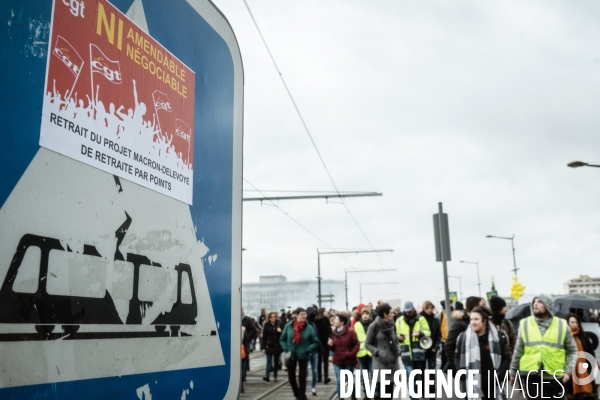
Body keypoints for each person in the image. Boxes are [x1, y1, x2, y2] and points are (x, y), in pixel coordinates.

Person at [509, 295, 577, 399]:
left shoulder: (562, 325)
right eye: (534, 302)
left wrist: (567, 372)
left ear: (548, 305)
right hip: (530, 375)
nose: (535, 304)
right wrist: (513, 372)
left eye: (540, 302)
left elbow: (572, 350)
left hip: (555, 376)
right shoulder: (525, 324)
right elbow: (518, 350)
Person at [455, 306, 510, 399]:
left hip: (493, 386)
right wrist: (461, 372)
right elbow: (457, 356)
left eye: (476, 319)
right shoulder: (464, 338)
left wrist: (499, 375)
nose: (473, 322)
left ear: (484, 321)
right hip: (472, 385)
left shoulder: (497, 337)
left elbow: (506, 357)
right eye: (471, 319)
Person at [280, 307, 319, 400]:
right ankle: (297, 394)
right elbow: (282, 339)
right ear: (296, 315)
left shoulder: (309, 327)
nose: (304, 316)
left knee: (302, 378)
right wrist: (286, 349)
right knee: (291, 378)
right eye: (302, 314)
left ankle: (301, 397)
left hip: (304, 355)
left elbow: (315, 341)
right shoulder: (288, 326)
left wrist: (307, 349)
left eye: (305, 314)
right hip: (291, 355)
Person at [395, 301, 431, 399]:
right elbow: (395, 334)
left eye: (409, 311)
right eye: (406, 312)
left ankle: (417, 395)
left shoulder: (421, 319)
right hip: (406, 353)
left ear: (413, 309)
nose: (407, 313)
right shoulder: (399, 320)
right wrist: (398, 337)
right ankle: (413, 397)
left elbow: (428, 332)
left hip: (418, 353)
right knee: (410, 375)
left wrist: (420, 334)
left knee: (418, 376)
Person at [366, 303, 399, 399]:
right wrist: (378, 352)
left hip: (392, 362)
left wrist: (398, 349)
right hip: (381, 363)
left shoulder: (392, 325)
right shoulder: (374, 326)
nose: (393, 314)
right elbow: (367, 344)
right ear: (385, 314)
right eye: (391, 313)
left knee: (390, 393)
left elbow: (395, 340)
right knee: (383, 394)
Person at [444, 296, 481, 371]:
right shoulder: (460, 324)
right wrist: (457, 366)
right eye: (481, 306)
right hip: (464, 365)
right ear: (475, 308)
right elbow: (449, 346)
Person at [328, 314, 359, 399]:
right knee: (340, 380)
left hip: (349, 360)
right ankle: (341, 398)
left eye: (336, 319)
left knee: (349, 380)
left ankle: (353, 395)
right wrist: (330, 345)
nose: (334, 321)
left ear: (342, 322)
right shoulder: (334, 332)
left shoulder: (350, 331)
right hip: (337, 361)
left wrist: (350, 354)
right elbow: (334, 348)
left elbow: (356, 344)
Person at [566, 313, 596, 400]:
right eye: (572, 322)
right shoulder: (564, 337)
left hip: (585, 371)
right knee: (572, 396)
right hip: (570, 372)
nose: (574, 324)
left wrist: (590, 364)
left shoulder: (583, 336)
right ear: (567, 323)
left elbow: (590, 351)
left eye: (576, 322)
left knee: (586, 396)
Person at [420, 300, 440, 393]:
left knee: (432, 370)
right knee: (422, 370)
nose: (430, 310)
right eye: (428, 308)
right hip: (422, 347)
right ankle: (424, 390)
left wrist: (435, 347)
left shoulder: (435, 319)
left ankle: (432, 390)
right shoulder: (419, 319)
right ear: (424, 308)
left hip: (432, 347)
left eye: (431, 308)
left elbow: (438, 335)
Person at [354, 306, 374, 396]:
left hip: (372, 353)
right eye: (363, 314)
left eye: (367, 314)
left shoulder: (373, 324)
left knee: (374, 374)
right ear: (361, 315)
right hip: (361, 353)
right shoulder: (357, 325)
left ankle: (374, 392)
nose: (365, 316)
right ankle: (367, 393)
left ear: (370, 315)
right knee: (364, 375)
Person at [261, 311, 283, 382]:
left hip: (277, 345)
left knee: (276, 362)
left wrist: (281, 331)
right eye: (271, 317)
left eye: (274, 316)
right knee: (269, 361)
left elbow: (284, 335)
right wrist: (263, 347)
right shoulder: (266, 325)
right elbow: (264, 337)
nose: (273, 318)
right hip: (269, 345)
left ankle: (275, 376)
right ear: (269, 318)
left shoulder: (279, 324)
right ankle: (267, 376)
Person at [314, 307, 332, 384]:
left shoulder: (315, 320)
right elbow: (329, 330)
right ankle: (325, 376)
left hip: (319, 341)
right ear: (322, 312)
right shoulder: (325, 320)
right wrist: (329, 337)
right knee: (325, 360)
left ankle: (319, 377)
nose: (327, 312)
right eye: (325, 311)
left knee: (319, 360)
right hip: (323, 341)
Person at [306, 307, 321, 396]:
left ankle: (313, 387)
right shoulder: (306, 325)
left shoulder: (314, 324)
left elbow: (316, 337)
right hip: (307, 350)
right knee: (305, 371)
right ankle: (305, 387)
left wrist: (320, 348)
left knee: (314, 370)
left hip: (314, 350)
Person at [436, 299, 453, 370]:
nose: (451, 305)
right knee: (444, 357)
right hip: (444, 340)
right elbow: (437, 326)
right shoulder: (441, 314)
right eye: (449, 303)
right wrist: (440, 338)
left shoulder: (452, 313)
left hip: (451, 338)